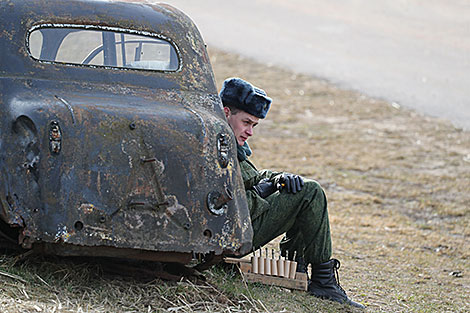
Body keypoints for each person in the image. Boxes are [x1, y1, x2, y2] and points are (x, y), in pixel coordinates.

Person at [219, 77, 364, 308]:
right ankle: (323, 282)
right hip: (227, 238)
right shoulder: (216, 148)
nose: (250, 132)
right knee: (310, 192)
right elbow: (228, 207)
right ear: (226, 112)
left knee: (298, 186)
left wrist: (277, 179)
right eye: (246, 122)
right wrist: (263, 191)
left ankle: (297, 266)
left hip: (233, 234)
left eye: (254, 125)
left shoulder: (226, 141)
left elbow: (250, 178)